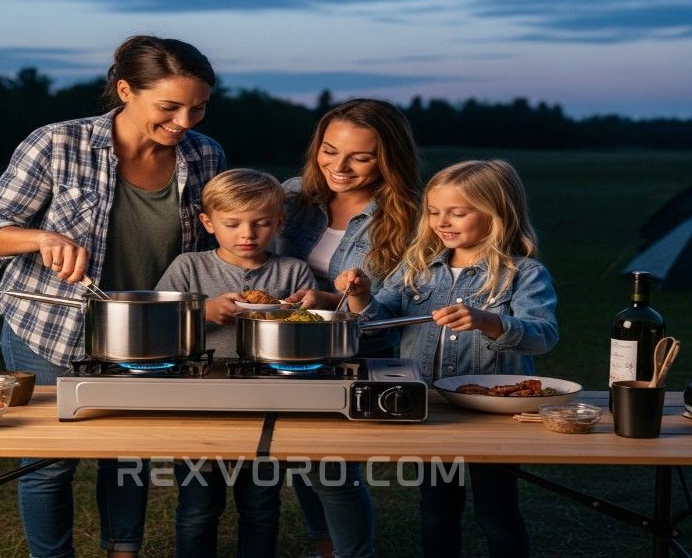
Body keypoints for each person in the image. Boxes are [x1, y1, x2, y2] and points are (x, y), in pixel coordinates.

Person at [0, 35, 226, 558]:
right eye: (169, 107)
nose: (185, 122)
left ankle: (120, 552)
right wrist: (40, 238)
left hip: (150, 333)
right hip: (50, 328)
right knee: (49, 460)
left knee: (128, 454)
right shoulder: (57, 144)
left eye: (197, 107)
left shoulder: (204, 155)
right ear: (125, 90)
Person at [336, 159, 559, 558]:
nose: (442, 221)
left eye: (458, 212)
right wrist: (359, 295)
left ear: (497, 213)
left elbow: (543, 335)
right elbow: (376, 323)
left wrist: (490, 322)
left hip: (496, 415)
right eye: (435, 212)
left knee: (497, 513)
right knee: (438, 509)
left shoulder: (523, 273)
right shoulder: (418, 268)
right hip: (431, 409)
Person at [276, 99, 422, 558]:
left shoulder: (408, 218)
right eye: (329, 149)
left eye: (360, 156)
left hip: (358, 353)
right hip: (290, 351)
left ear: (388, 158)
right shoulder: (293, 195)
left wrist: (334, 302)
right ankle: (325, 547)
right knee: (299, 458)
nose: (338, 167)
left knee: (330, 468)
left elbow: (392, 312)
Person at [155, 168, 317, 557]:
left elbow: (309, 330)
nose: (247, 234)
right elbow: (159, 326)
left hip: (268, 400)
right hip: (200, 402)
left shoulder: (293, 272)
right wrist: (203, 312)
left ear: (280, 222)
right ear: (209, 223)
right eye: (233, 224)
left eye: (261, 223)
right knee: (198, 506)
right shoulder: (188, 267)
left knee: (261, 504)